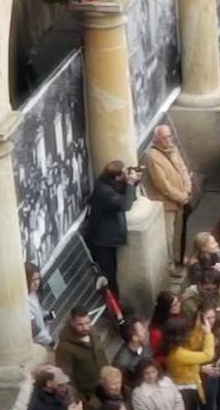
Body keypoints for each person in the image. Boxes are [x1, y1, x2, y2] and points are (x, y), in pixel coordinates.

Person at [84, 161, 141, 295]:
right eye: (125, 173)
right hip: (103, 240)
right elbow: (126, 204)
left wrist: (133, 182)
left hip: (108, 236)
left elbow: (127, 195)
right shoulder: (104, 191)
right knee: (108, 275)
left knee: (111, 273)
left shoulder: (108, 183)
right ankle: (113, 307)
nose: (128, 176)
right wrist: (131, 184)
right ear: (116, 177)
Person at [144, 124, 195, 273]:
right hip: (167, 203)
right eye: (164, 137)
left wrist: (187, 189)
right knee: (168, 236)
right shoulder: (152, 156)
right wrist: (180, 197)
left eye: (169, 136)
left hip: (182, 198)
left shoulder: (173, 149)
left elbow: (183, 169)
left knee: (180, 231)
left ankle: (180, 256)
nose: (168, 139)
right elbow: (162, 184)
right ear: (157, 138)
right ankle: (169, 265)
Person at [54, 307, 109, 396]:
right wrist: (78, 397)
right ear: (72, 322)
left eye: (87, 323)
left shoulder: (93, 332)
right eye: (80, 324)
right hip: (88, 393)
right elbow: (66, 376)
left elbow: (102, 355)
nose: (85, 327)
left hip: (105, 384)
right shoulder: (64, 347)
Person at [25, 262, 53, 348]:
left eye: (38, 279)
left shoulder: (33, 294)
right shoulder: (24, 301)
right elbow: (33, 329)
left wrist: (46, 315)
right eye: (33, 280)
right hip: (36, 344)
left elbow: (38, 312)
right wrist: (50, 342)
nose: (37, 283)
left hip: (44, 339)